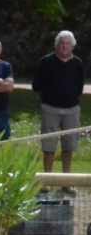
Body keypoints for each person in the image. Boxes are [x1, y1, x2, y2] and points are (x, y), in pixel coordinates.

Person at [33, 30, 84, 176]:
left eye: (67, 44)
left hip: (72, 110)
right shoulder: (45, 62)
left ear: (72, 46)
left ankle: (66, 182)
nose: (64, 46)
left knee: (69, 147)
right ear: (56, 45)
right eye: (61, 43)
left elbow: (79, 87)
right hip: (50, 109)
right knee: (49, 147)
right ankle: (48, 181)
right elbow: (36, 85)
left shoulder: (77, 63)